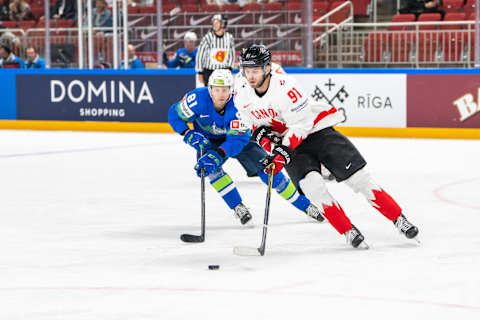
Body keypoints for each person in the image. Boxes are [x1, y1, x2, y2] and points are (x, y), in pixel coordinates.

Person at [234, 45, 419, 248]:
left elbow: (302, 124)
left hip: (316, 131)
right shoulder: (240, 88)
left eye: (256, 70)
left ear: (267, 68)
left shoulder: (286, 86)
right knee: (313, 187)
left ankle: (399, 219)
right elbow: (249, 123)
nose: (250, 76)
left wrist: (282, 152)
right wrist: (266, 141)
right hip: (290, 144)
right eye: (247, 70)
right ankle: (347, 230)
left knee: (360, 179)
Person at [168, 69, 325, 225]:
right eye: (216, 90)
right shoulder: (196, 99)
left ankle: (304, 205)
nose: (221, 94)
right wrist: (187, 133)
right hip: (208, 141)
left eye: (225, 90)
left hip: (239, 141)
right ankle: (238, 207)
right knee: (211, 169)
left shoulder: (240, 104)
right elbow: (174, 115)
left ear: (231, 90)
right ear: (209, 89)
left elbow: (236, 140)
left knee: (268, 169)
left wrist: (219, 154)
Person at [195, 14, 235, 88]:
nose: (214, 25)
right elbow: (200, 55)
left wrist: (230, 68)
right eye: (213, 23)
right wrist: (200, 72)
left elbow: (231, 55)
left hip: (224, 71)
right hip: (209, 71)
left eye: (216, 22)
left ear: (223, 24)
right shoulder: (208, 38)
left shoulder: (229, 38)